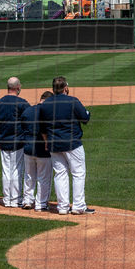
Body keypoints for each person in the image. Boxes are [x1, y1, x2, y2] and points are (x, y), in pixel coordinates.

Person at [39, 76, 94, 215]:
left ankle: (63, 207)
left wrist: (47, 141)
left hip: (54, 144)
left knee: (60, 174)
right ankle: (78, 206)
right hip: (72, 143)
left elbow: (42, 127)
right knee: (78, 173)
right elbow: (85, 118)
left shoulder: (45, 104)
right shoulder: (72, 101)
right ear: (65, 88)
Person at [0, 77, 30, 208]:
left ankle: (7, 199)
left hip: (3, 141)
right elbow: (29, 121)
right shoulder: (22, 103)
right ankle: (15, 199)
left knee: (6, 170)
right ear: (18, 87)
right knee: (16, 170)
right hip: (18, 142)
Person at [21, 91, 54, 211]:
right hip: (43, 150)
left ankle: (27, 201)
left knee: (29, 176)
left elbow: (22, 128)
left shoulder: (28, 110)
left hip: (28, 148)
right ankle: (41, 204)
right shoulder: (49, 112)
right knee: (43, 178)